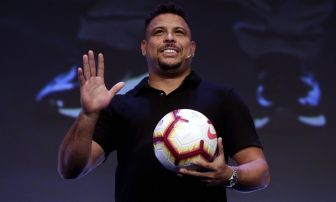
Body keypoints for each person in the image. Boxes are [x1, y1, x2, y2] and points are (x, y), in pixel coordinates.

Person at [57, 3, 270, 202]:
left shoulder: (223, 99)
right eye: (159, 32)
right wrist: (88, 115)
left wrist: (228, 175)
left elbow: (260, 172)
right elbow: (70, 169)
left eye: (179, 32)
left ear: (192, 48)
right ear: (143, 47)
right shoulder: (120, 106)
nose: (169, 38)